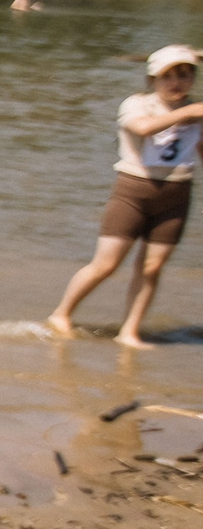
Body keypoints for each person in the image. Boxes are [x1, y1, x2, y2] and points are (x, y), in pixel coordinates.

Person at [46, 44, 203, 348]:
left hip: (177, 193)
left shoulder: (196, 111)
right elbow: (143, 129)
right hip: (134, 191)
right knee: (106, 264)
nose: (177, 82)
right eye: (168, 76)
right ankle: (61, 314)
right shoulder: (137, 104)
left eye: (185, 74)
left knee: (152, 267)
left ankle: (130, 331)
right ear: (152, 79)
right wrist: (189, 112)